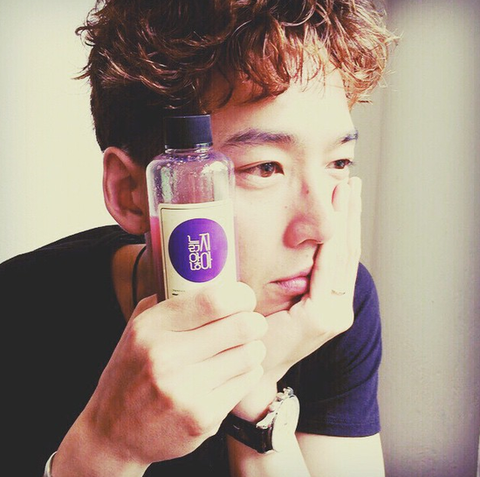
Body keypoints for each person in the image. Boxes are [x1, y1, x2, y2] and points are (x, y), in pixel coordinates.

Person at [1, 1, 397, 475]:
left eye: (338, 162)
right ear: (131, 193)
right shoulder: (17, 308)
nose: (322, 227)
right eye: (264, 168)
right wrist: (109, 447)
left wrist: (256, 393)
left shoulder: (327, 305)